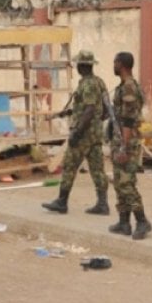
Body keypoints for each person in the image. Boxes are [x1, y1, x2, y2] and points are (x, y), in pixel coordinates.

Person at [42, 50, 109, 215]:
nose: (77, 66)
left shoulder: (87, 84)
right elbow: (104, 110)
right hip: (95, 134)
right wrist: (66, 113)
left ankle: (62, 201)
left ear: (82, 66)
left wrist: (77, 132)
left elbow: (89, 109)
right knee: (97, 169)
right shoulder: (98, 82)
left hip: (83, 135)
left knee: (70, 166)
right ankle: (102, 203)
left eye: (78, 64)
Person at [108, 51, 152, 240]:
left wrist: (123, 147)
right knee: (119, 182)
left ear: (122, 65)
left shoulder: (129, 88)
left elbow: (127, 120)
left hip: (127, 141)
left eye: (115, 62)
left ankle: (142, 221)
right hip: (120, 140)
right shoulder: (123, 87)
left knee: (126, 183)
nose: (113, 66)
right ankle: (124, 222)